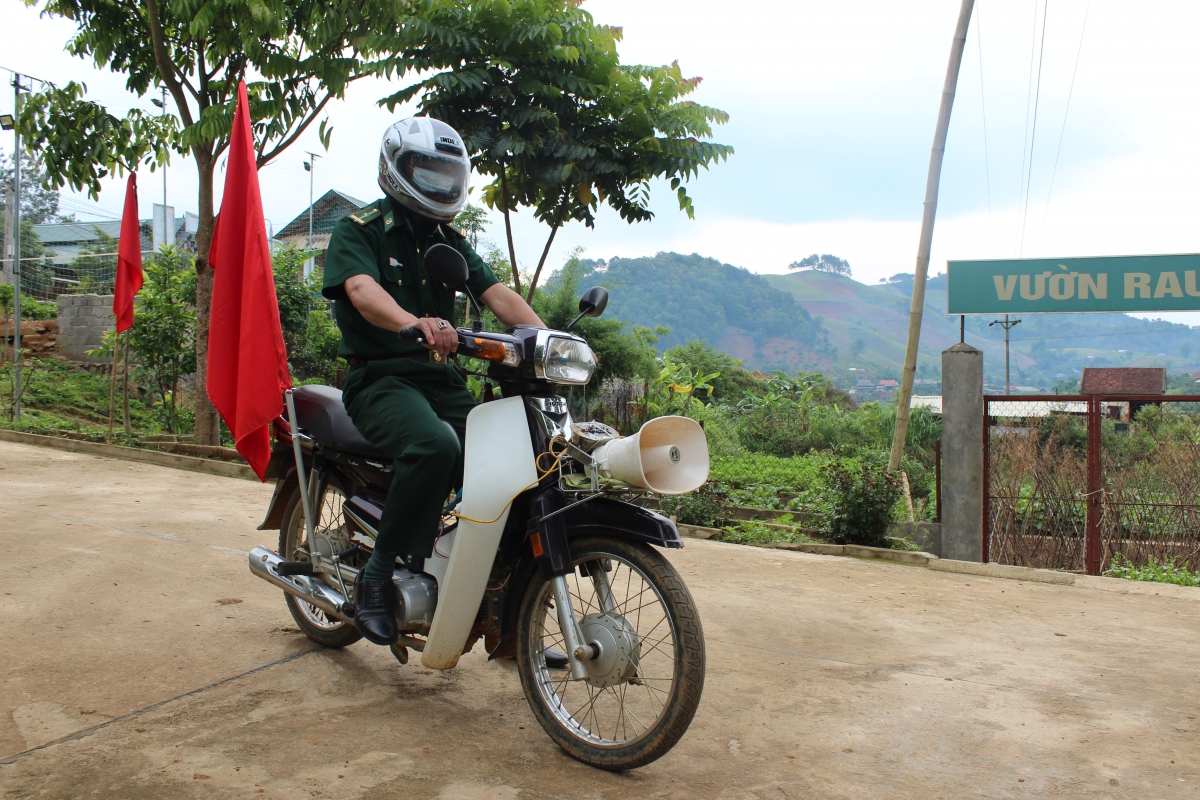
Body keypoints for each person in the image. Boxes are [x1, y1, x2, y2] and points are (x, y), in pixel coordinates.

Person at [321, 117, 544, 646]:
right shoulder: (360, 228)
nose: (440, 184)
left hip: (439, 381)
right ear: (397, 170)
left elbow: (498, 296)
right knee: (434, 444)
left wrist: (550, 340)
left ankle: (505, 602)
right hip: (380, 378)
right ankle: (377, 577)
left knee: (519, 457)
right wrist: (411, 322)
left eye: (448, 174)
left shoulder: (450, 240)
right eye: (428, 171)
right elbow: (360, 290)